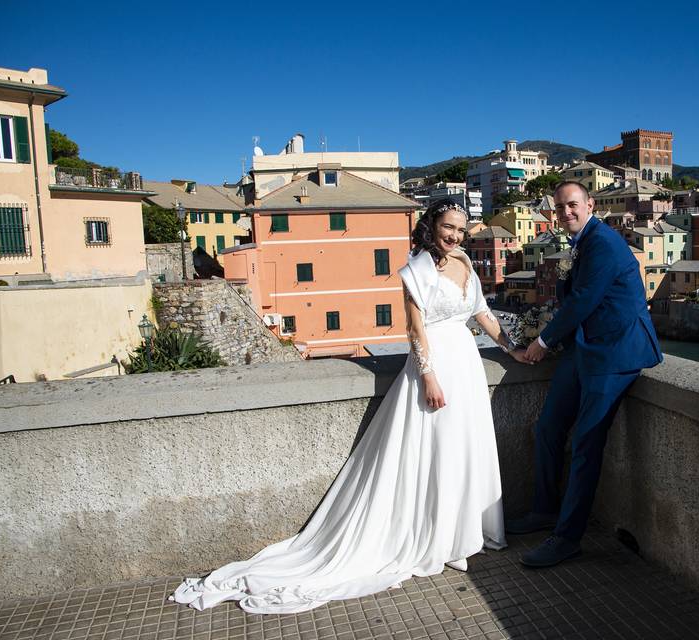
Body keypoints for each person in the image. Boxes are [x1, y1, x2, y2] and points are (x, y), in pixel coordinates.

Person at [171, 199, 525, 613]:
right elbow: (414, 330)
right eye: (449, 227)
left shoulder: (465, 261)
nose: (455, 236)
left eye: (461, 230)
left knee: (465, 449)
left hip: (466, 365)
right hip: (439, 368)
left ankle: (463, 532)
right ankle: (439, 537)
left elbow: (482, 313)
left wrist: (513, 349)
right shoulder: (415, 272)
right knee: (438, 453)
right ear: (431, 226)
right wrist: (429, 377)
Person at [505, 181, 663, 568]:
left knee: (586, 445)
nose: (565, 213)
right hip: (583, 347)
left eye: (572, 205)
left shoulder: (604, 243)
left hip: (615, 352)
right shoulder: (582, 242)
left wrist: (541, 343)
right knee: (548, 427)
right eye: (559, 208)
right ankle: (545, 509)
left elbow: (583, 300)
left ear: (590, 204)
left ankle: (567, 538)